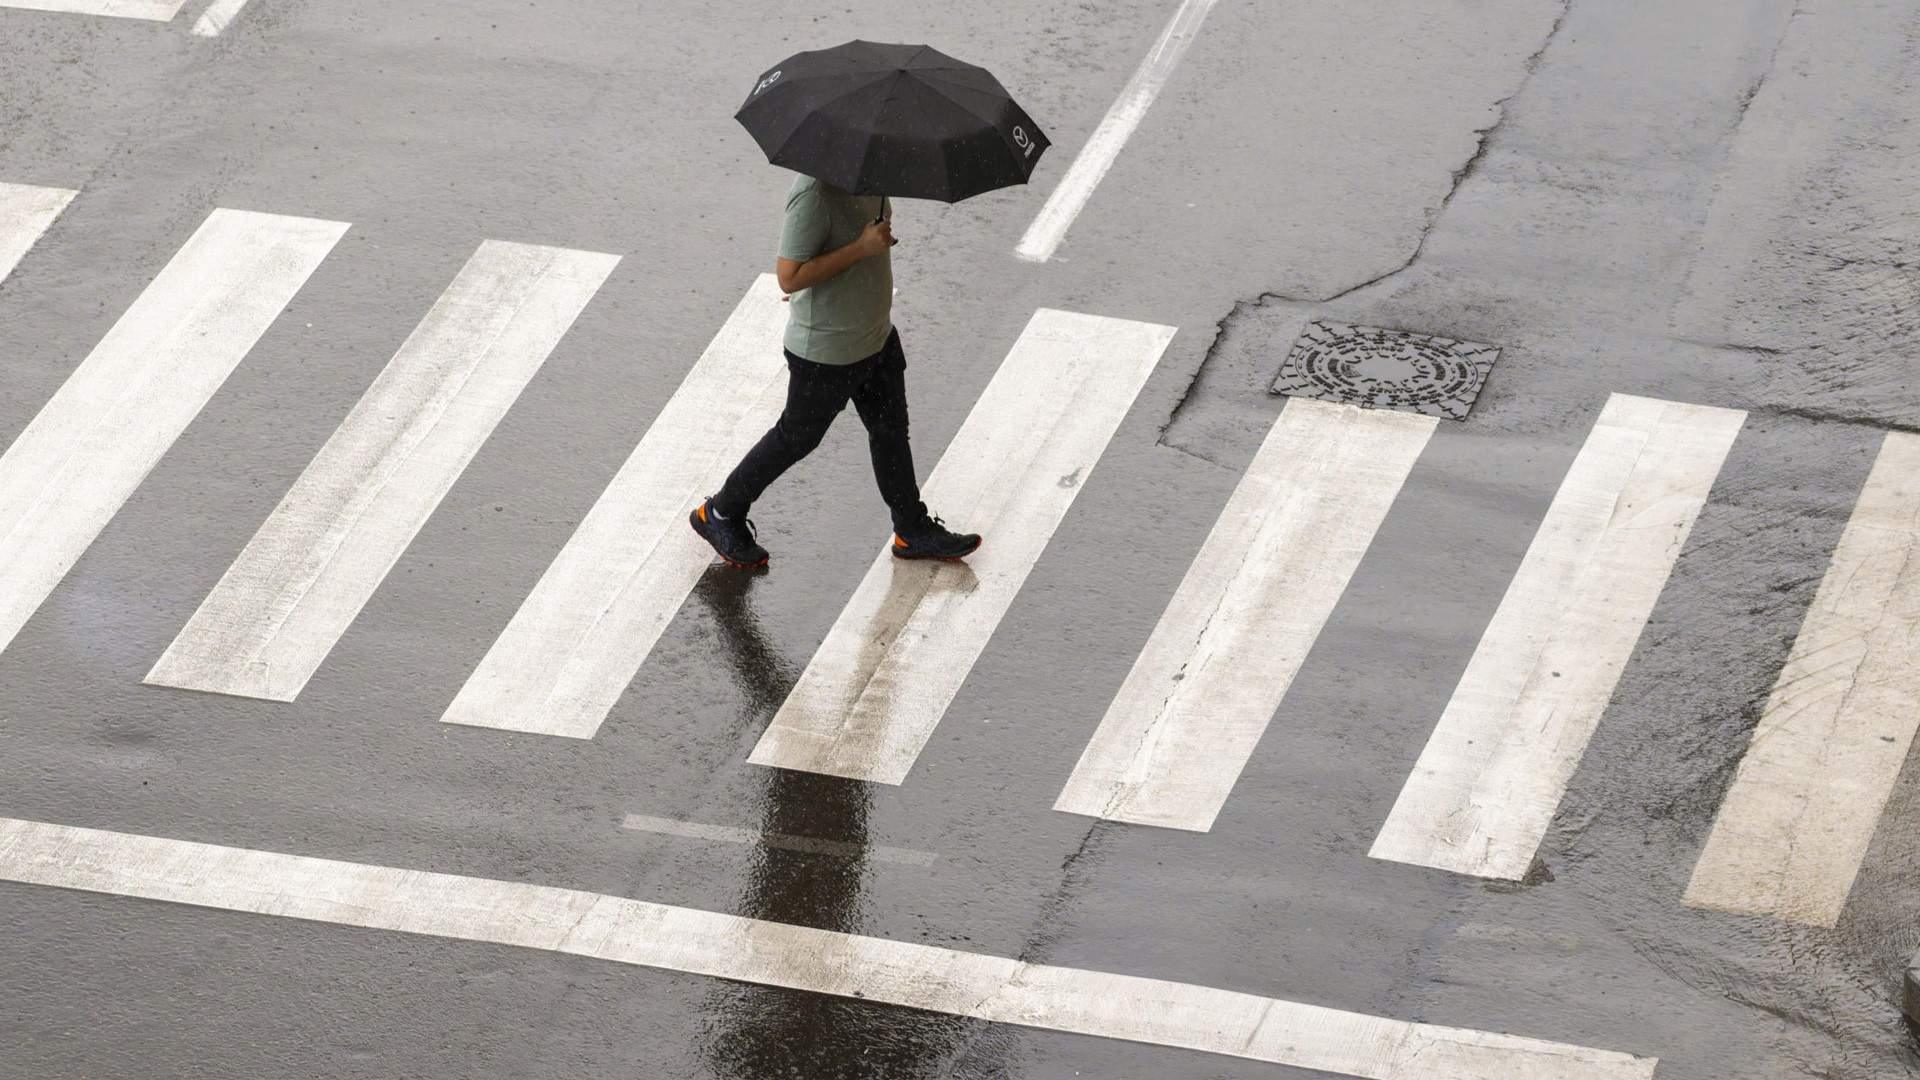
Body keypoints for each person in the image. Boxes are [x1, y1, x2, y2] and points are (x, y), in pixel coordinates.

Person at [690, 174, 982, 568]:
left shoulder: (874, 172)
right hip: (827, 351)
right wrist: (861, 248)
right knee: (796, 438)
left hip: (875, 335)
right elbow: (789, 275)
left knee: (890, 431)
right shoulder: (813, 194)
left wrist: (869, 247)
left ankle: (911, 529)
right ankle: (721, 512)